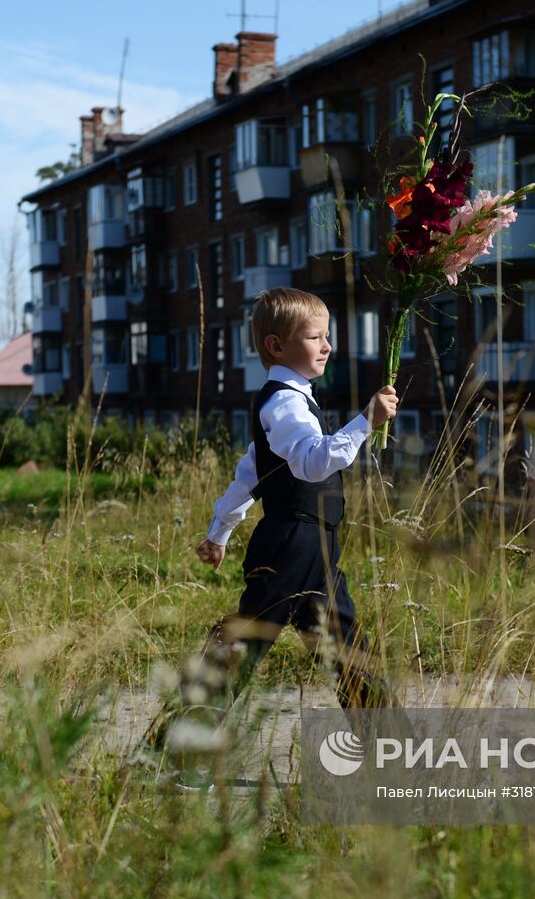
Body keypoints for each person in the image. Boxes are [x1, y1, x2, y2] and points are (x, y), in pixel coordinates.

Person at [140, 287, 403, 783]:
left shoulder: (293, 404)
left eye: (327, 336)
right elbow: (311, 462)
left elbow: (248, 473)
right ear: (276, 346)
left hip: (316, 546)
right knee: (242, 643)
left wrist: (219, 531)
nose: (326, 346)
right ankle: (168, 751)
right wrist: (366, 421)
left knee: (344, 645)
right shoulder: (283, 405)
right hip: (289, 545)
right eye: (313, 337)